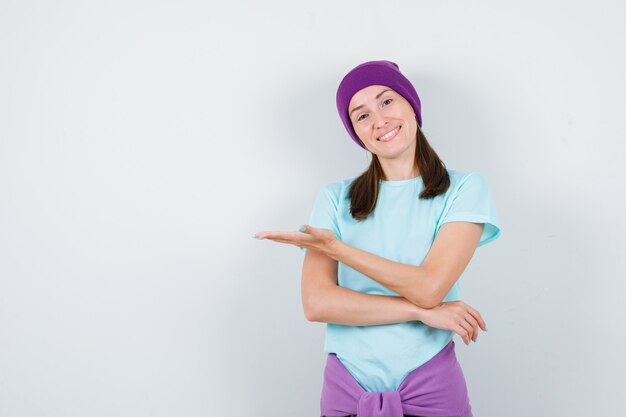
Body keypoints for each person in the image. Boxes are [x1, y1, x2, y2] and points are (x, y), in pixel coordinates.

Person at [254, 60, 501, 417]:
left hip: (430, 383)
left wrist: (338, 250)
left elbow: (431, 287)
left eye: (386, 101)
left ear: (411, 105)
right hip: (346, 385)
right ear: (356, 132)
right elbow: (318, 303)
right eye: (362, 115)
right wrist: (419, 312)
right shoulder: (334, 198)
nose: (379, 120)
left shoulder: (464, 189)